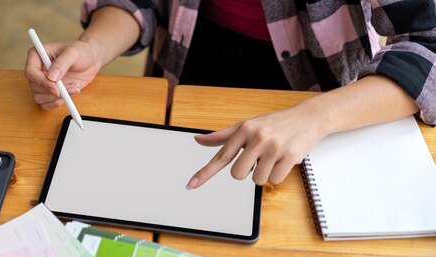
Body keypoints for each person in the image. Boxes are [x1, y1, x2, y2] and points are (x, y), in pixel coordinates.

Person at [25, 1, 435, 188]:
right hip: (186, 74)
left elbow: (429, 45)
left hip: (323, 110)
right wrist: (95, 46)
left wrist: (316, 117)